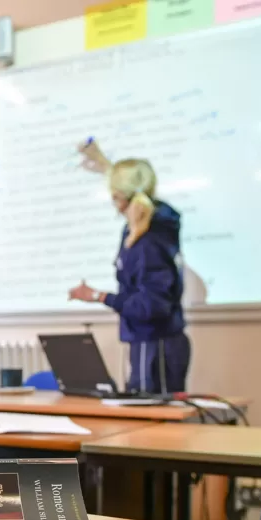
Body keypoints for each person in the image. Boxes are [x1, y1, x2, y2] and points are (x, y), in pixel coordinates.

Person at [69, 139, 190, 394]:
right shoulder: (149, 228)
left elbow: (150, 305)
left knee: (153, 425)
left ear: (118, 196)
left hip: (155, 346)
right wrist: (102, 163)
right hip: (149, 343)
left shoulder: (148, 241)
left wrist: (98, 296)